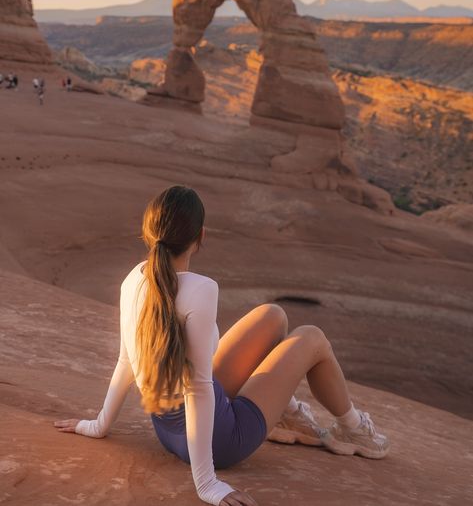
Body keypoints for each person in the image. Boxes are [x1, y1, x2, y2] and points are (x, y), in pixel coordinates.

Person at [54, 186, 389, 506]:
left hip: (169, 430)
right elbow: (197, 387)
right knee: (313, 337)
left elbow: (127, 360)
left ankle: (284, 414)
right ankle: (354, 430)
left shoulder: (134, 279)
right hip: (221, 440)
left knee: (272, 316)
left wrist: (99, 424)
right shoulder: (200, 289)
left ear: (148, 232)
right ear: (201, 236)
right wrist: (207, 482)